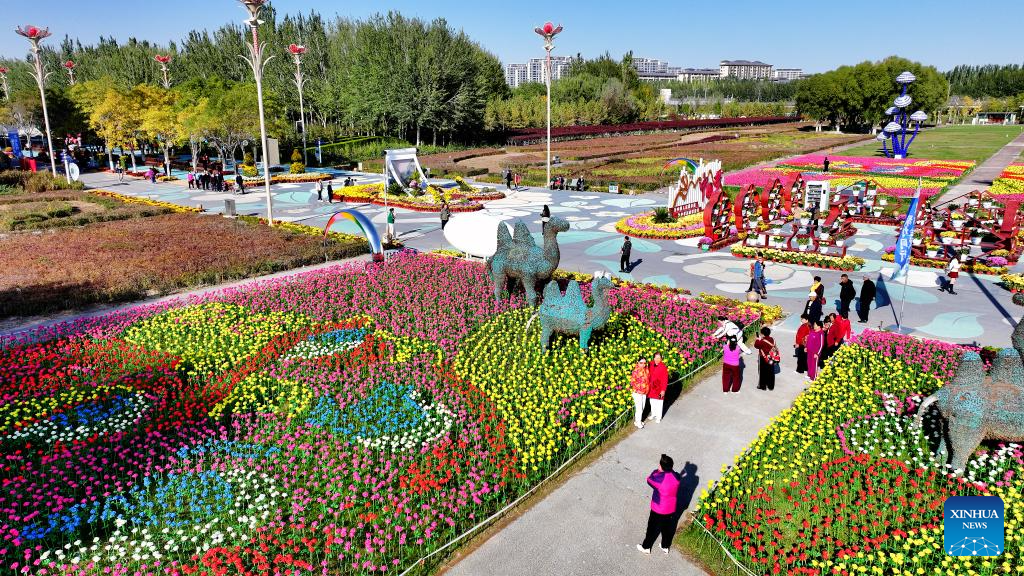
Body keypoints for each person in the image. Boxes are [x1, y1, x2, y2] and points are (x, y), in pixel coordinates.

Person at [637, 454, 681, 555]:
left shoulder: (659, 479)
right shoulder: (676, 477)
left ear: (661, 467)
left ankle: (646, 547)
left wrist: (657, 471)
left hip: (658, 508)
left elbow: (649, 479)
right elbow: (676, 474)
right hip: (670, 508)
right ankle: (665, 546)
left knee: (652, 528)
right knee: (666, 528)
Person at [646, 352, 668, 423]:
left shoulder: (663, 367)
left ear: (661, 358)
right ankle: (653, 414)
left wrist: (663, 390)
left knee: (659, 402)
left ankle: (658, 417)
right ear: (653, 358)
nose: (657, 359)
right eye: (656, 357)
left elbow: (665, 379)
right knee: (652, 401)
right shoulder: (650, 364)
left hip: (659, 388)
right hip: (651, 387)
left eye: (659, 358)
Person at [630, 357, 650, 429]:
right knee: (639, 408)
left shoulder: (646, 370)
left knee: (642, 407)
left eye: (644, 363)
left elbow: (647, 381)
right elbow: (632, 382)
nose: (643, 364)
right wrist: (638, 390)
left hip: (644, 392)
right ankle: (638, 423)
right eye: (641, 363)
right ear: (637, 363)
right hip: (637, 393)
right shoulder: (635, 371)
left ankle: (637, 421)